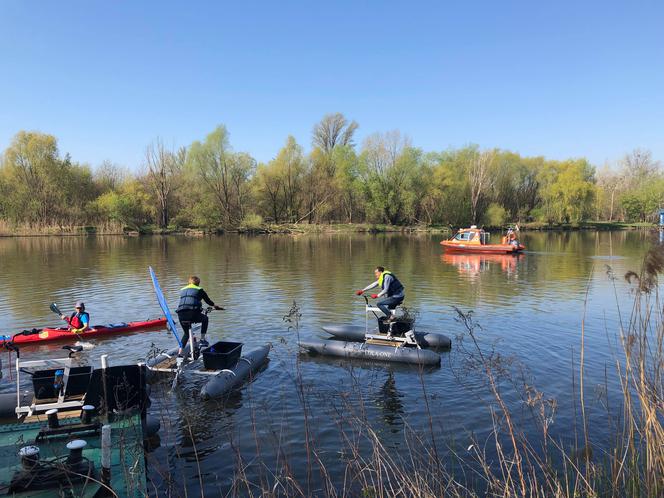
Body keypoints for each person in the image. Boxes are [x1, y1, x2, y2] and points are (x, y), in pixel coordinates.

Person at [176, 276, 224, 356]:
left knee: (186, 334)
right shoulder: (200, 290)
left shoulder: (182, 290)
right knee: (205, 318)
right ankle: (202, 339)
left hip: (180, 315)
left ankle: (179, 353)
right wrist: (216, 306)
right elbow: (208, 301)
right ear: (198, 284)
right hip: (192, 314)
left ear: (189, 283)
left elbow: (187, 302)